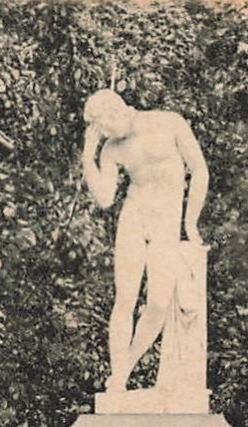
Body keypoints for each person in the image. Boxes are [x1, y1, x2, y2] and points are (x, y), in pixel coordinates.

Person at [81, 89, 209, 394]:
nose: (106, 135)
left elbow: (200, 170)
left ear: (117, 111)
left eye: (105, 128)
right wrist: (89, 157)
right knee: (124, 300)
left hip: (166, 221)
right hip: (134, 219)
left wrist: (190, 222)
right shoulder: (112, 149)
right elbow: (104, 199)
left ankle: (124, 368)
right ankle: (119, 380)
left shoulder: (169, 123)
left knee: (158, 305)